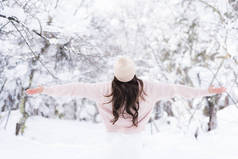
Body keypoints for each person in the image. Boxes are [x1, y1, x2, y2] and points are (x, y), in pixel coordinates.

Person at [25, 55, 226, 159]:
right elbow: (178, 90)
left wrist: (45, 89)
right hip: (134, 141)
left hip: (111, 140)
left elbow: (73, 89)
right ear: (134, 73)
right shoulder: (149, 88)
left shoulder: (102, 89)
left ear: (115, 74)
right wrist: (206, 91)